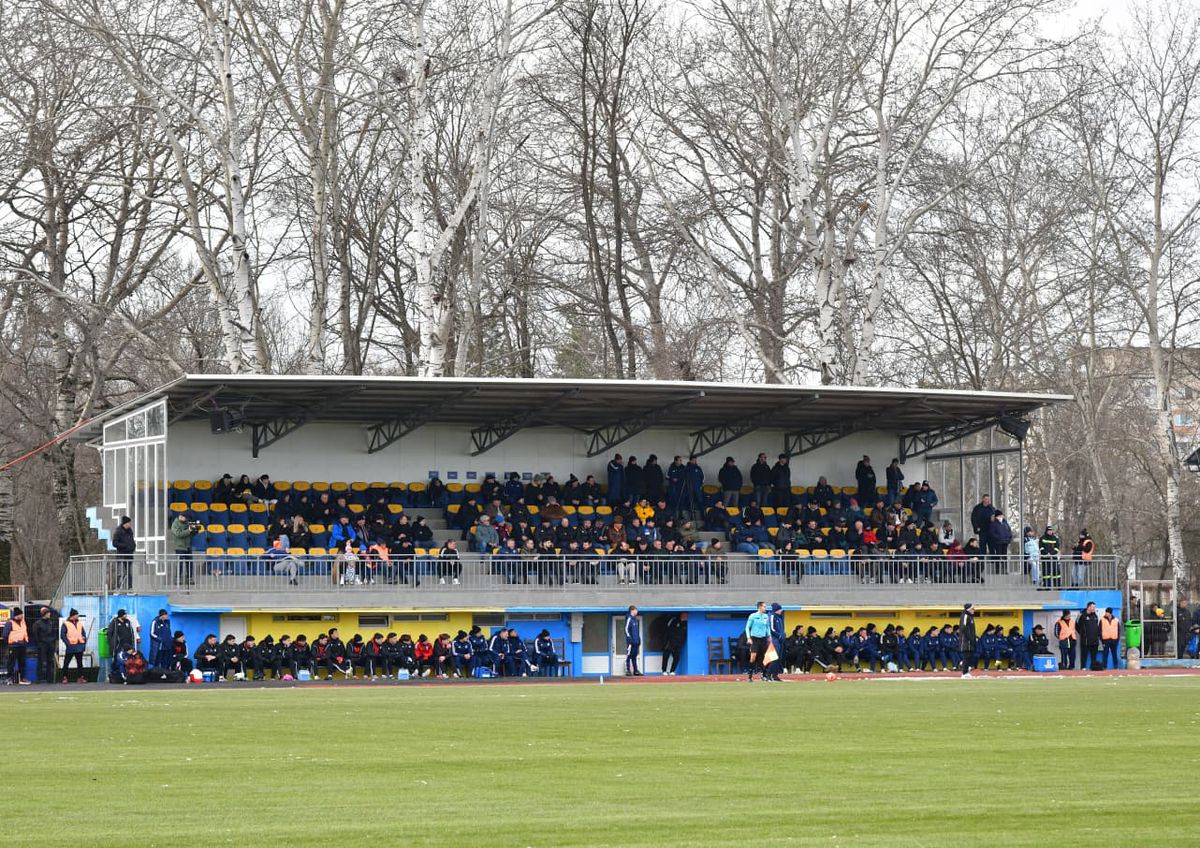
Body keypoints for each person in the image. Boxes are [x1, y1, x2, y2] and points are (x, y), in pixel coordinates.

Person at [170, 512, 201, 585]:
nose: (186, 519)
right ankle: (178, 579)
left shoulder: (187, 523)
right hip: (179, 547)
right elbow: (178, 534)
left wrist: (195, 530)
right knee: (179, 563)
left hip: (188, 546)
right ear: (181, 516)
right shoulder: (175, 524)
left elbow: (191, 534)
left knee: (189, 563)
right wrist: (189, 530)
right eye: (185, 518)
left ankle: (190, 578)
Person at [744, 601, 771, 681]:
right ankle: (750, 675)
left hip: (763, 639)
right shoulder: (753, 616)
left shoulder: (766, 616)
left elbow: (767, 627)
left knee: (763, 657)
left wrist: (769, 635)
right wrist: (749, 638)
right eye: (764, 606)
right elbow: (747, 627)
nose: (765, 608)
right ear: (759, 607)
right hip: (755, 638)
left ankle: (764, 675)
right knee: (753, 657)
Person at [107, 608, 137, 679]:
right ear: (121, 615)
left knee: (128, 661)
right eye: (125, 614)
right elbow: (109, 633)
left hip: (127, 646)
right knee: (117, 661)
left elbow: (131, 632)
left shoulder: (128, 622)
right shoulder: (114, 622)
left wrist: (132, 645)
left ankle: (127, 675)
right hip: (118, 646)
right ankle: (114, 676)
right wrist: (112, 643)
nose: (126, 616)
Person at [3, 607, 31, 685]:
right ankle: (9, 678)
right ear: (16, 615)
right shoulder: (10, 623)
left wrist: (25, 641)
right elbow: (5, 634)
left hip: (22, 645)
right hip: (13, 646)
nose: (22, 616)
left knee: (22, 662)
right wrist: (9, 643)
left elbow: (25, 632)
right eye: (20, 615)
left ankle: (22, 678)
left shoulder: (23, 622)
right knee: (11, 663)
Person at [60, 609, 88, 683]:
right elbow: (63, 635)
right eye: (76, 615)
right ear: (73, 615)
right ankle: (64, 677)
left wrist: (84, 641)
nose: (78, 616)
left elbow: (83, 633)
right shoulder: (65, 624)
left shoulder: (79, 623)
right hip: (71, 646)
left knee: (80, 663)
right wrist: (68, 644)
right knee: (66, 662)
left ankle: (80, 677)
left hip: (79, 646)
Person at [31, 607, 57, 684]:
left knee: (50, 661)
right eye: (48, 613)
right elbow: (35, 635)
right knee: (40, 662)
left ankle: (49, 679)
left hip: (50, 644)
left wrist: (53, 642)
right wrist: (39, 644)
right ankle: (39, 679)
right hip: (42, 645)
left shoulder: (51, 623)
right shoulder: (37, 623)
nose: (49, 614)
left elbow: (54, 633)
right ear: (44, 614)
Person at [111, 515, 136, 590]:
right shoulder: (118, 531)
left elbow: (131, 540)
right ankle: (118, 588)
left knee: (129, 573)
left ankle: (130, 588)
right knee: (120, 573)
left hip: (129, 555)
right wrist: (125, 546)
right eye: (128, 523)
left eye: (129, 523)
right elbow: (114, 543)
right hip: (121, 556)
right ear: (124, 523)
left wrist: (133, 546)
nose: (129, 524)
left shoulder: (130, 531)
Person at [1077, 601, 1102, 670]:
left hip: (1094, 641)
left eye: (1094, 607)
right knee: (1084, 655)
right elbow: (1077, 626)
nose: (1094, 608)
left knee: (1094, 656)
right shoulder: (1082, 615)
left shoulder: (1095, 616)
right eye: (1093, 607)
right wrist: (1083, 634)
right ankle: (1083, 668)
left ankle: (1093, 668)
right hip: (1085, 641)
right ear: (1089, 607)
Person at [958, 605, 978, 678]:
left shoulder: (970, 617)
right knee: (966, 656)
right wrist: (970, 638)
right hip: (966, 640)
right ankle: (964, 673)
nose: (974, 610)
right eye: (972, 609)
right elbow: (964, 628)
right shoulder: (965, 616)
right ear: (968, 609)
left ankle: (964, 668)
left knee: (970, 656)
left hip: (970, 640)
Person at [625, 606, 642, 676]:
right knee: (629, 655)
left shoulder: (635, 620)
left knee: (634, 656)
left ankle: (635, 670)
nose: (637, 611)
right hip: (631, 642)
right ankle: (628, 670)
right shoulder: (629, 619)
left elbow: (636, 631)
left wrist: (639, 639)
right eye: (636, 610)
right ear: (632, 610)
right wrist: (630, 639)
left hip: (636, 641)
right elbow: (626, 629)